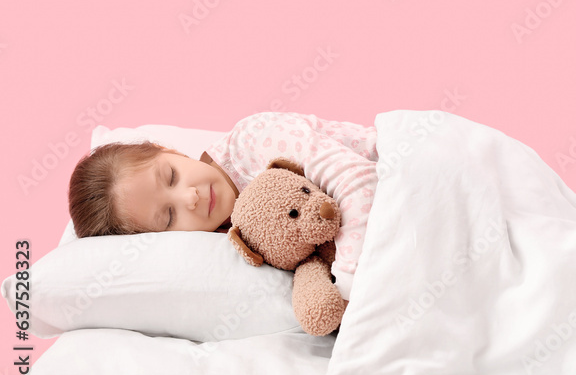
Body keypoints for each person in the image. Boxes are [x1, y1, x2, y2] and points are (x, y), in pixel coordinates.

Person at [67, 112, 379, 300]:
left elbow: (358, 179)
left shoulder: (252, 141)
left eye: (171, 176)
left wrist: (348, 284)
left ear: (168, 150)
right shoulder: (222, 240)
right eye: (169, 216)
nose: (190, 198)